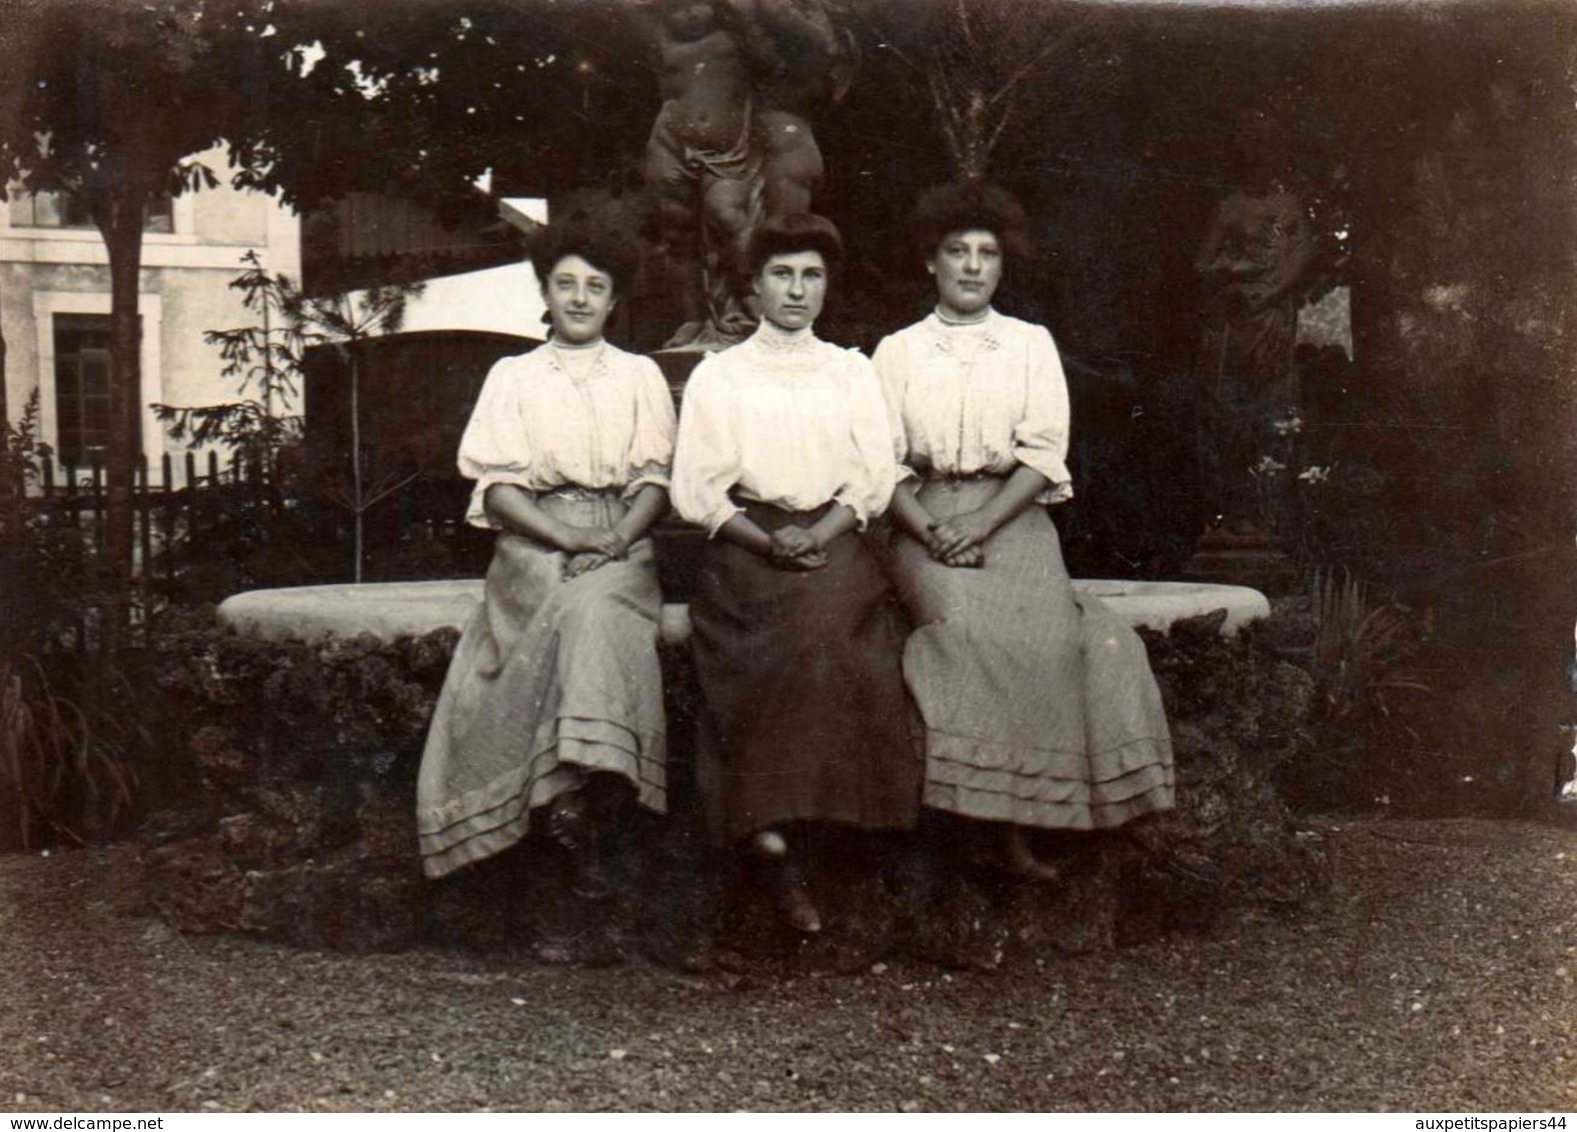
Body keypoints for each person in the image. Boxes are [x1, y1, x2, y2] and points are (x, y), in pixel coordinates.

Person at [872, 182, 1174, 877]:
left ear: (1002, 266)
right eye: (956, 252)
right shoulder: (896, 352)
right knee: (967, 630)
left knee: (1055, 640)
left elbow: (1041, 454)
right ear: (931, 263)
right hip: (922, 518)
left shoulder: (1028, 345)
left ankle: (1031, 820)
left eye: (986, 253)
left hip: (1012, 515)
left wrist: (981, 521)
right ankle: (983, 820)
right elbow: (878, 462)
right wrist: (930, 530)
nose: (972, 266)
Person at [670, 212, 918, 933]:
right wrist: (765, 538)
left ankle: (826, 837)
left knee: (839, 643)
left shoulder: (850, 370)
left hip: (833, 537)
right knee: (772, 645)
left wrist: (820, 531)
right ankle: (765, 831)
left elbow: (872, 476)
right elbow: (698, 489)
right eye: (781, 274)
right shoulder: (721, 376)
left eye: (811, 275)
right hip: (747, 544)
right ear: (751, 288)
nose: (796, 289)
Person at [415, 225, 677, 895]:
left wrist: (612, 540)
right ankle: (564, 800)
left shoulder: (639, 375)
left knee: (593, 612)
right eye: (566, 284)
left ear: (613, 300)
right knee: (559, 603)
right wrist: (566, 540)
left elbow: (654, 480)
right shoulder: (514, 376)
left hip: (618, 534)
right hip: (534, 538)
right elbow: (498, 489)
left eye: (595, 287)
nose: (580, 299)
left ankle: (581, 797)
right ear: (544, 292)